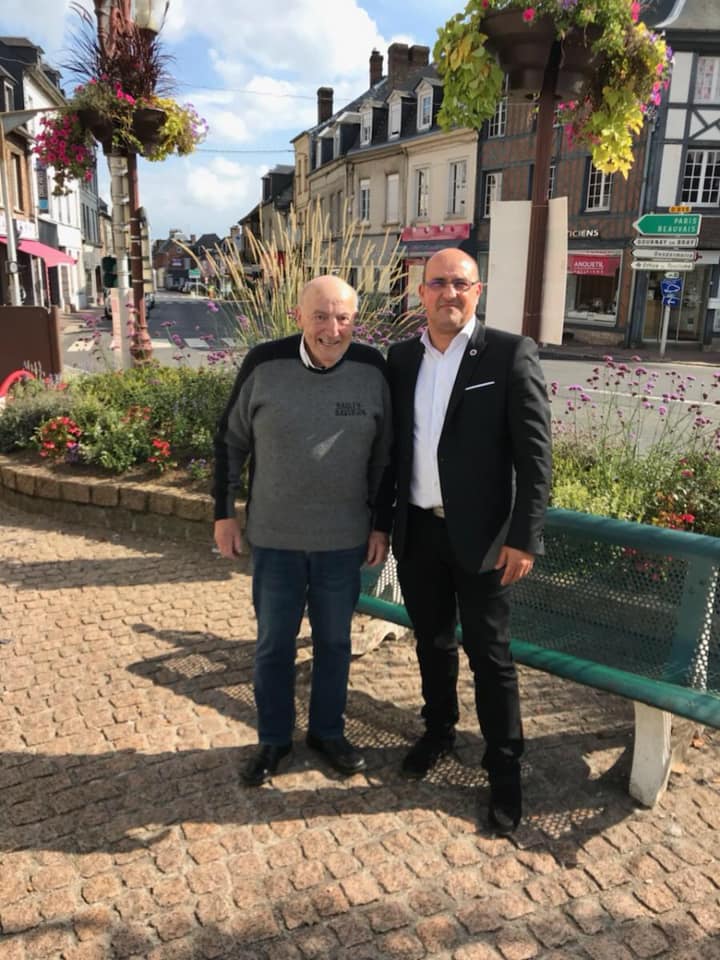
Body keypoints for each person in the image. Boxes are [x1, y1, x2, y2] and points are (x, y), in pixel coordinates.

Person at [386, 248, 552, 834]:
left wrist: (524, 538)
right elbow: (392, 449)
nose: (448, 293)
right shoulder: (401, 357)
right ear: (421, 292)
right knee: (431, 642)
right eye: (438, 283)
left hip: (484, 541)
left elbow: (535, 457)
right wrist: (382, 522)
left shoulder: (509, 353)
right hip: (417, 530)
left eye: (460, 283)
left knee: (490, 657)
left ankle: (504, 767)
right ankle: (438, 730)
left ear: (477, 291)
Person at [214, 275, 392, 786]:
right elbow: (229, 440)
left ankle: (327, 733)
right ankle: (274, 739)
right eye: (320, 316)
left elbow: (387, 457)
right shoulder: (264, 364)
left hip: (343, 540)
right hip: (276, 539)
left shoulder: (372, 369)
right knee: (274, 645)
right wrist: (224, 512)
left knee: (335, 643)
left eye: (343, 318)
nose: (332, 329)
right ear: (298, 317)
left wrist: (381, 526)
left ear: (355, 321)